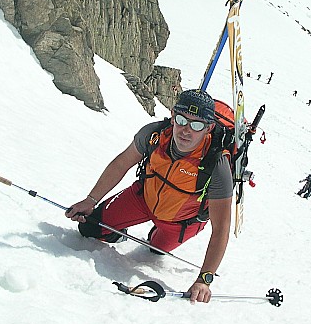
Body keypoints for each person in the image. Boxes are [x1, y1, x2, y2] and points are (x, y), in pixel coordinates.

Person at [65, 89, 233, 304]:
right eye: (181, 120)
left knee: (156, 249)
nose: (186, 130)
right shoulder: (154, 135)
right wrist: (91, 200)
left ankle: (157, 234)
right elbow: (121, 164)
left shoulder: (216, 163)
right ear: (173, 116)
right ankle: (117, 232)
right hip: (142, 199)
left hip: (181, 221)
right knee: (89, 227)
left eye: (197, 124)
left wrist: (204, 279)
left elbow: (221, 229)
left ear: (208, 128)